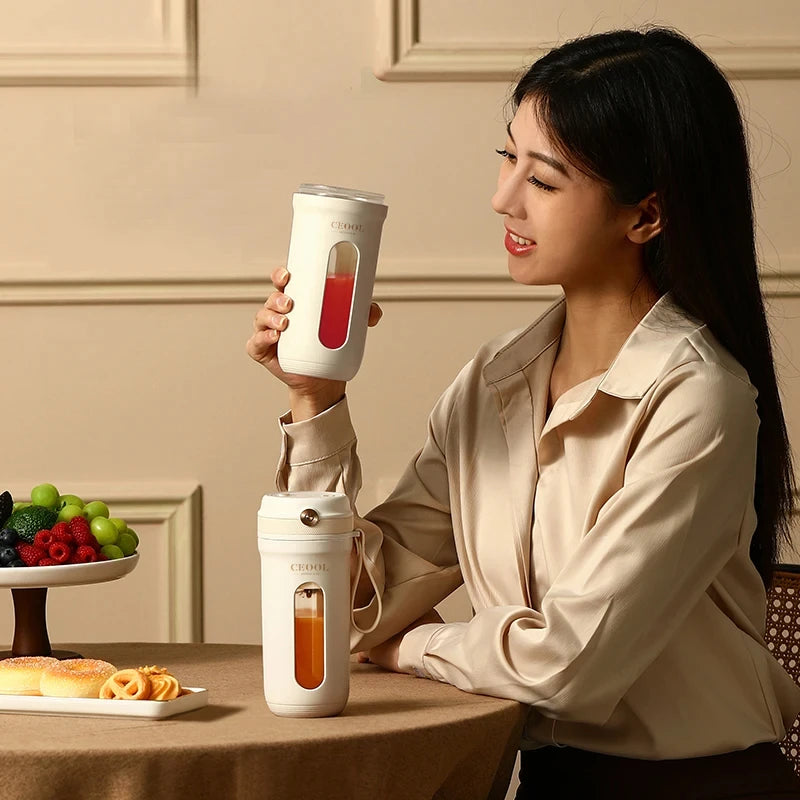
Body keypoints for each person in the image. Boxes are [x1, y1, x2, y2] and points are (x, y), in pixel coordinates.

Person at [247, 26, 800, 800]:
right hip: (542, 781)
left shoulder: (699, 397)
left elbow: (568, 665)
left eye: (543, 179)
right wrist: (316, 397)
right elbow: (348, 606)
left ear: (646, 215)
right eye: (508, 159)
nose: (503, 198)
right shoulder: (495, 382)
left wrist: (409, 648)